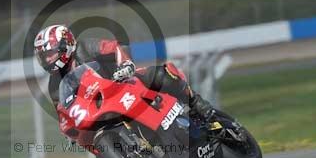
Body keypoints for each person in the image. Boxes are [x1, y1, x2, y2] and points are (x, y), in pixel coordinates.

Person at [33, 24, 214, 119]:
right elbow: (63, 112)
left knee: (160, 75)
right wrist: (70, 130)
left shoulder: (85, 47)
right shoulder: (54, 85)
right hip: (100, 109)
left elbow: (113, 47)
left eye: (50, 53)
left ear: (65, 45)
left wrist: (125, 65)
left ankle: (197, 102)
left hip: (123, 82)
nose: (48, 59)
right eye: (43, 56)